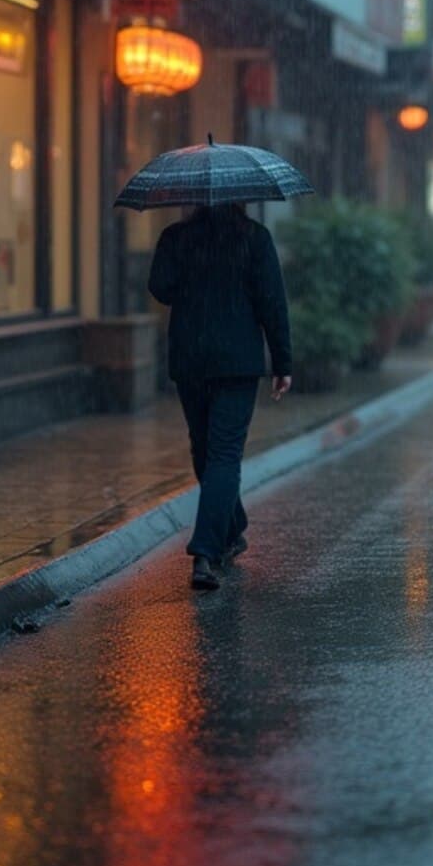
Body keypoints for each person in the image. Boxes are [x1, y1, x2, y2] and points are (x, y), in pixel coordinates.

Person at [147, 202, 292, 592]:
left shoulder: (177, 238)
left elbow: (159, 288)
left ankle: (215, 541)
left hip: (191, 359)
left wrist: (187, 264)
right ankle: (219, 539)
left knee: (208, 451)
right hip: (236, 361)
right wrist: (283, 362)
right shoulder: (253, 238)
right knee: (221, 455)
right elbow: (272, 303)